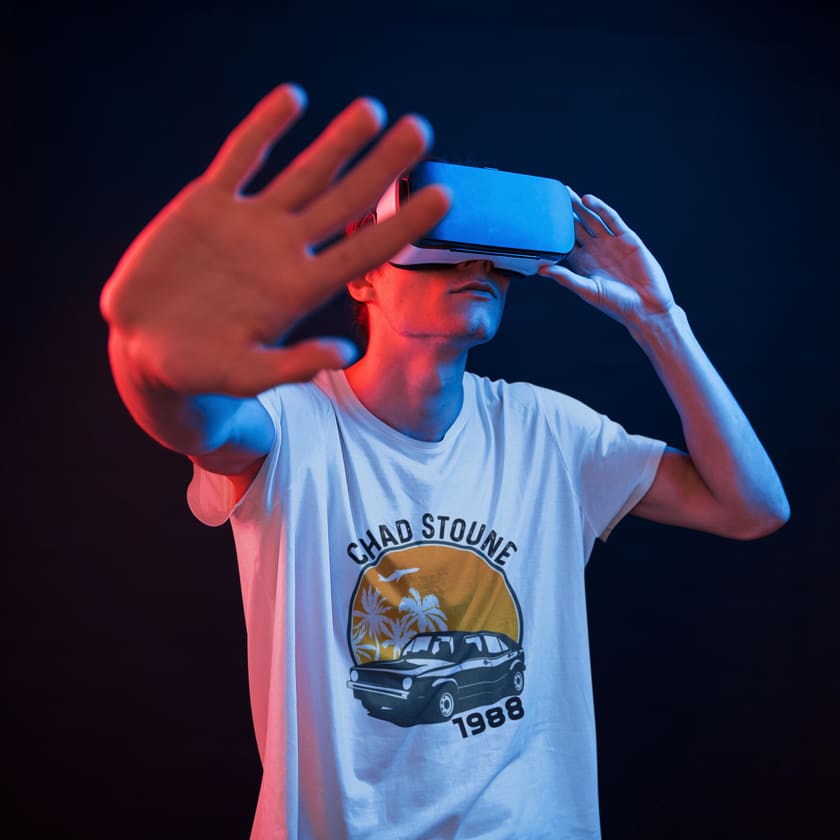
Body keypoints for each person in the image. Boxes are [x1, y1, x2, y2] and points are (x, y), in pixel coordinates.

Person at [100, 84, 790, 839]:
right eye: (437, 242)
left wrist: (661, 321)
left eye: (494, 251)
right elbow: (195, 421)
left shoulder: (546, 431)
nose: (477, 263)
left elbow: (751, 508)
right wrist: (144, 360)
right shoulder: (294, 422)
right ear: (363, 274)